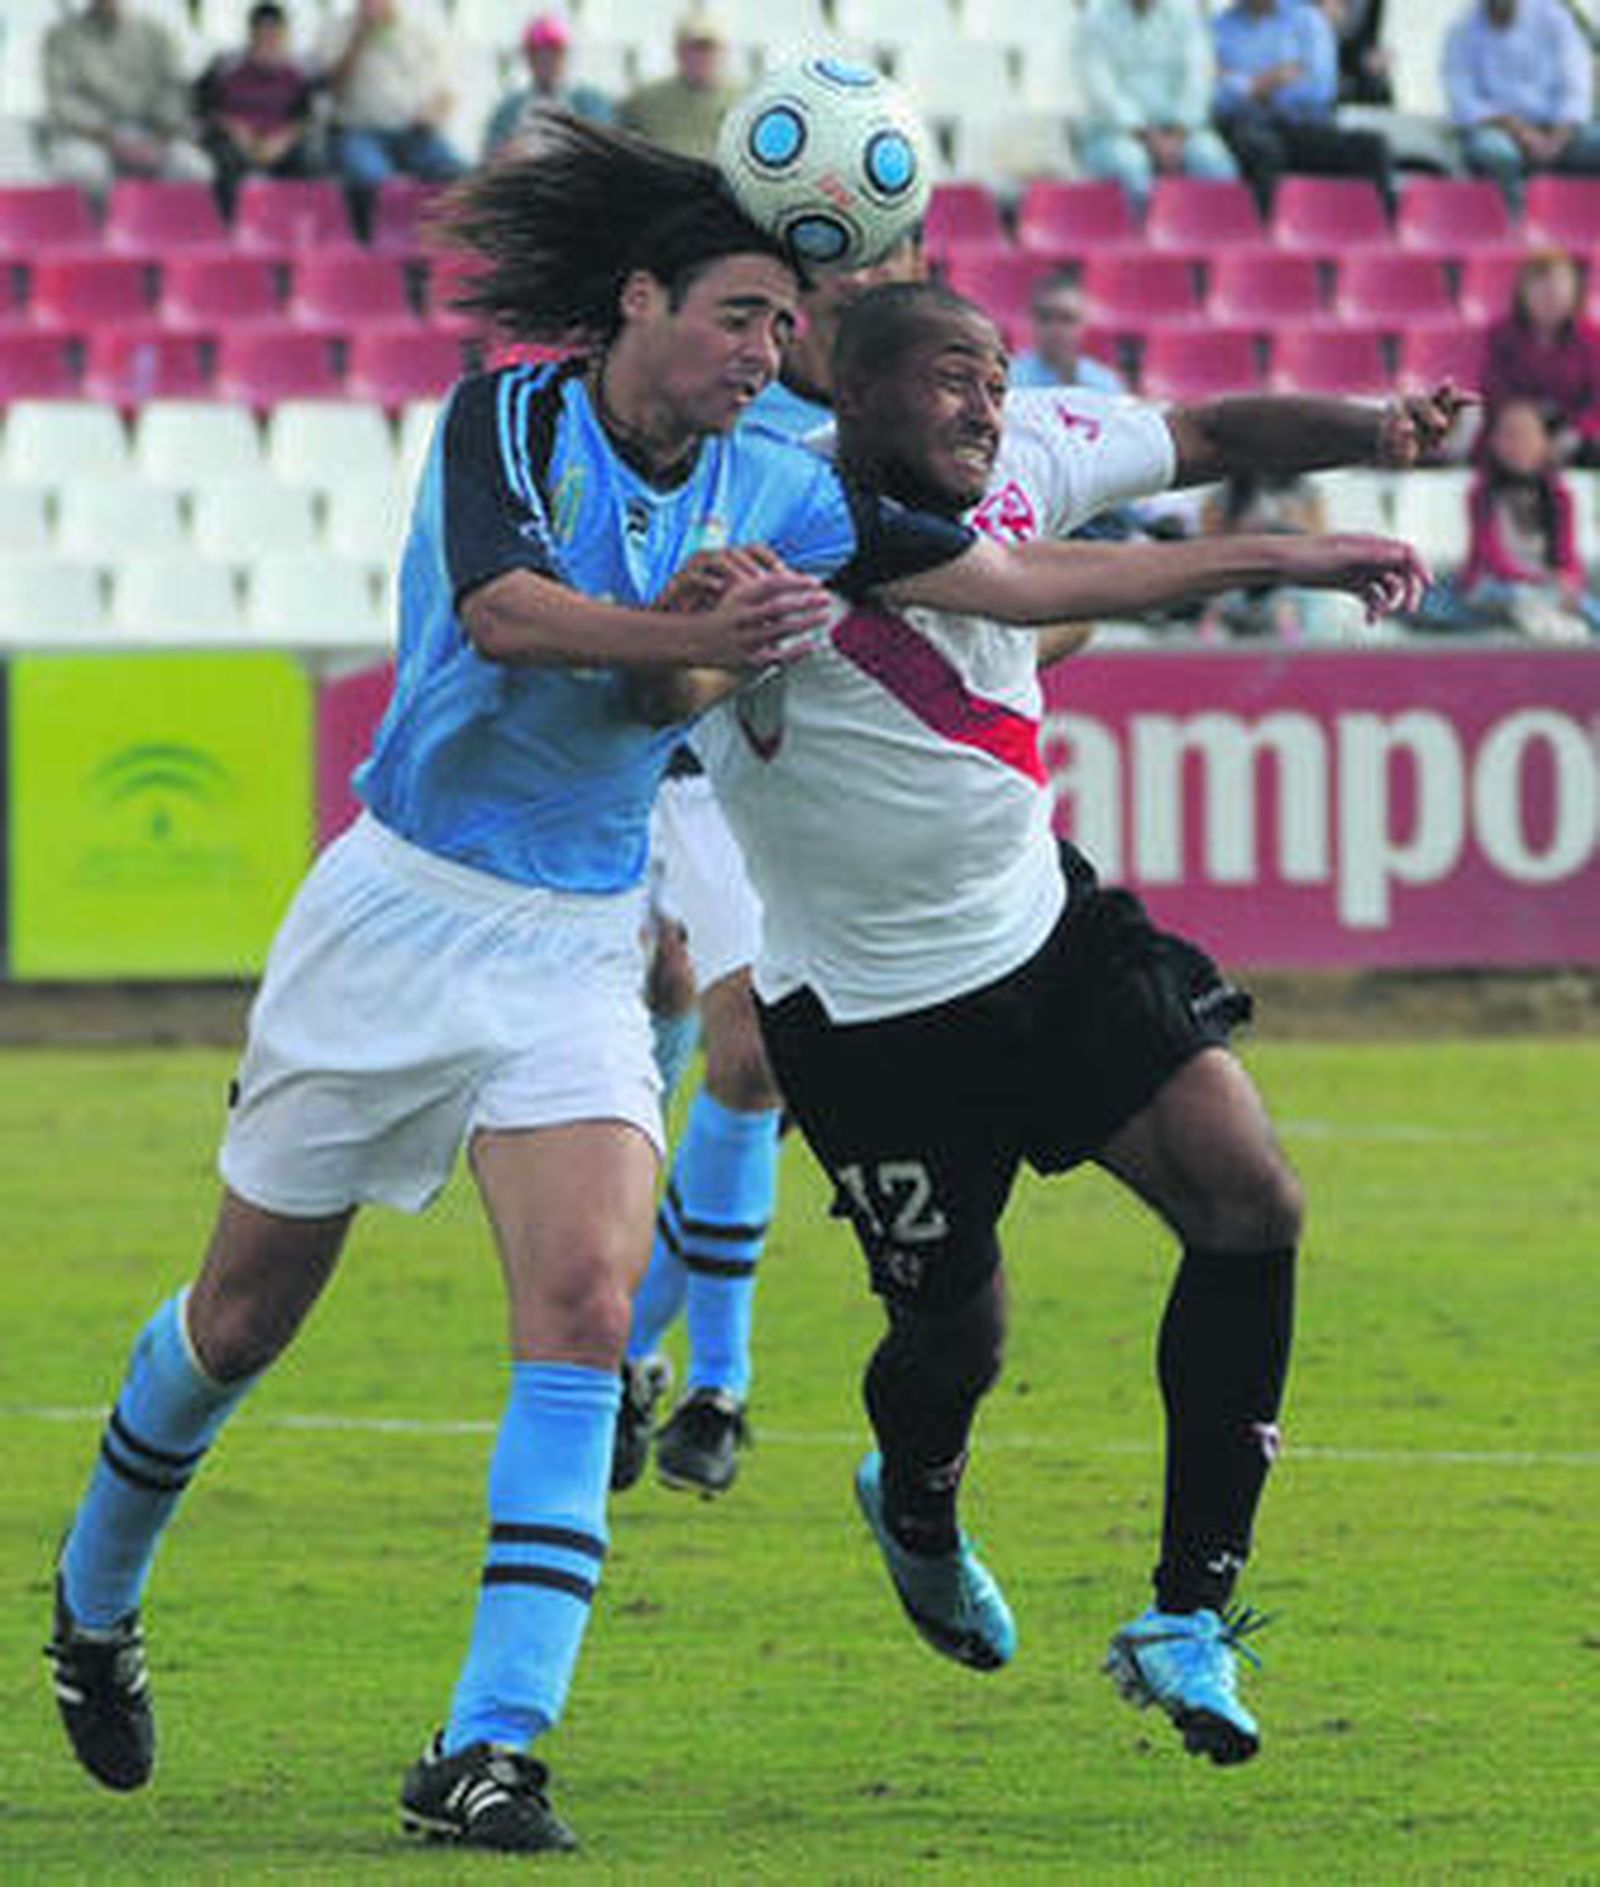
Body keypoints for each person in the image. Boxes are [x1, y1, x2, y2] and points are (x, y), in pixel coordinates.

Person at [48, 110, 1345, 1851]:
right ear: (641, 301)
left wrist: (1261, 557)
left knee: (585, 1314)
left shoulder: (790, 488)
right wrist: (699, 640)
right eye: (738, 317)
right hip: (399, 908)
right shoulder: (513, 414)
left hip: (576, 946)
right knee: (241, 1321)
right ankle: (94, 1602)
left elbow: (1020, 574)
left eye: (778, 328)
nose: (763, 355)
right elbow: (507, 612)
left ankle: (491, 1744)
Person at [642, 281, 1449, 1765]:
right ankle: (919, 1493)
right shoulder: (763, 526)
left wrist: (1369, 428)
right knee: (959, 1331)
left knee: (1250, 1190)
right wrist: (688, 669)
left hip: (1045, 935)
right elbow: (665, 690)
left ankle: (1188, 1611)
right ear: (857, 394)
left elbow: (1202, 430)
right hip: (871, 1020)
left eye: (999, 380)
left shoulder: (1034, 456)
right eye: (953, 379)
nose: (986, 405)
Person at [614, 235, 931, 1500]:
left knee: (748, 1054)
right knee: (687, 1036)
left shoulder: (912, 412)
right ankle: (670, 1361)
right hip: (646, 737)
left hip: (761, 766)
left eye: (882, 250)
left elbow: (1009, 579)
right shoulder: (736, 393)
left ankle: (696, 1378)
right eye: (832, 257)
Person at [1211, 0, 1393, 211]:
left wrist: (1250, 85)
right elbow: (1214, 91)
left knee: (1372, 149)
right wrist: (1262, 84)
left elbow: (1320, 88)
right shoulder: (1219, 27)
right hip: (1246, 126)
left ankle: (1379, 236)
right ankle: (1268, 236)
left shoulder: (1308, 20)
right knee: (1260, 149)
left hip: (1302, 126)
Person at [1074, 0, 1239, 211]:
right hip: (1114, 132)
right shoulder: (1095, 16)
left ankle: (1216, 241)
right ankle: (1140, 242)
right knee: (1130, 167)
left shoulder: (1185, 13)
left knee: (1215, 163)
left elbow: (1199, 77)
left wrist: (1179, 133)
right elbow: (1100, 88)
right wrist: (1147, 135)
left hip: (1183, 130)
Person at [1458, 398, 1600, 639]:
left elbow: (1567, 555)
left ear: (1544, 443)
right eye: (1509, 436)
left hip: (1548, 586)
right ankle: (1550, 635)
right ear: (1493, 443)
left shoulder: (1560, 496)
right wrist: (1542, 580)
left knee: (1586, 606)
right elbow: (1491, 557)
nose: (1518, 445)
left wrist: (1571, 580)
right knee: (1520, 599)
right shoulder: (1481, 494)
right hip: (1498, 585)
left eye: (1527, 436)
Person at [42, 0, 214, 195]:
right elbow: (62, 102)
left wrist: (162, 133)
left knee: (194, 168)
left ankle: (164, 222)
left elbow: (173, 90)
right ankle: (102, 225)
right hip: (88, 137)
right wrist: (106, 135)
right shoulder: (62, 36)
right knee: (84, 171)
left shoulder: (154, 32)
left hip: (151, 133)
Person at [1442, 0, 1600, 211]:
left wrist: (1558, 137)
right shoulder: (1461, 28)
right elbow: (1462, 101)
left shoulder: (1555, 18)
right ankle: (1514, 232)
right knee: (1496, 154)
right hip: (1498, 129)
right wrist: (1517, 129)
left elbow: (1577, 86)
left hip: (1560, 129)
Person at [316, 0, 466, 218]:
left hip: (416, 133)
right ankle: (382, 244)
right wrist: (359, 39)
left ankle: (438, 242)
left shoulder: (422, 29)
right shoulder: (337, 29)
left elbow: (448, 90)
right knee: (370, 179)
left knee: (457, 174)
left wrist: (434, 113)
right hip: (358, 131)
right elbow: (330, 90)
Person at [194, 1, 322, 212]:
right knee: (222, 158)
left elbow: (311, 116)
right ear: (251, 34)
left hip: (281, 144)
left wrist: (285, 139)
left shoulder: (301, 72)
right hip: (236, 142)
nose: (269, 42)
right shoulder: (224, 67)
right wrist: (233, 129)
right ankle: (232, 226)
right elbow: (204, 108)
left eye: (275, 35)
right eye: (263, 35)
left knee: (310, 158)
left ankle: (297, 223)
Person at [1481, 251, 1600, 466]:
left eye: (1557, 292)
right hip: (1515, 430)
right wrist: (1526, 431)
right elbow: (1494, 389)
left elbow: (1596, 400)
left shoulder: (1591, 337)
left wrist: (1576, 433)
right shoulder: (1501, 335)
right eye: (1541, 291)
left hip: (1575, 432)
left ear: (1574, 294)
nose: (1549, 299)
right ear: (1523, 293)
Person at [481, 11, 613, 162]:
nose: (546, 59)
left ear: (565, 54)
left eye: (554, 51)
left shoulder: (590, 103)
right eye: (537, 52)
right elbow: (488, 157)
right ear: (527, 57)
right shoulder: (508, 110)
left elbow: (606, 151)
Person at [617, 5, 741, 162]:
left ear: (722, 51)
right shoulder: (643, 101)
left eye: (707, 48)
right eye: (692, 48)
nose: (700, 56)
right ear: (677, 50)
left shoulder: (744, 103)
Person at [1007, 268, 1127, 395]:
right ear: (1031, 319)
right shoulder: (1009, 380)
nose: (1056, 329)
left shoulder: (1105, 385)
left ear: (1083, 323)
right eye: (1046, 317)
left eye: (1067, 318)